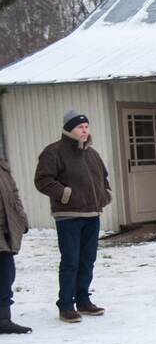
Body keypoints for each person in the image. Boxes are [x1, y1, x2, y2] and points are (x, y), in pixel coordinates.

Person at [33, 109, 111, 323]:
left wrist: (106, 195)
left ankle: (83, 301)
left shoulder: (92, 154)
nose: (84, 130)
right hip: (68, 216)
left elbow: (104, 178)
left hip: (92, 214)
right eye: (80, 127)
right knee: (71, 261)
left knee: (88, 260)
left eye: (86, 127)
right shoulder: (54, 152)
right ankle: (66, 305)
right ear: (69, 129)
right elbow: (43, 180)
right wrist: (66, 194)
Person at [1, 156, 31, 334]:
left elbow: (14, 194)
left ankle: (4, 319)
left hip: (5, 230)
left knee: (6, 275)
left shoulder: (2, 166)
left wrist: (21, 218)